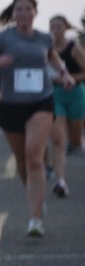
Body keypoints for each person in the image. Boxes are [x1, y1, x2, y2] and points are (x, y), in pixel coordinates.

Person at [0, 0, 76, 236]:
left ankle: (35, 219)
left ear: (35, 12)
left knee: (34, 158)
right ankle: (35, 197)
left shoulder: (44, 38)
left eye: (28, 9)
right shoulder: (2, 38)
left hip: (41, 101)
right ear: (13, 13)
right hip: (11, 104)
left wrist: (65, 74)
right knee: (22, 161)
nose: (23, 13)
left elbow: (53, 58)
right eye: (19, 9)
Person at [48, 15, 85, 197]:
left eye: (59, 26)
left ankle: (79, 145)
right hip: (55, 95)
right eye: (52, 26)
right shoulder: (46, 49)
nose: (55, 30)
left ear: (65, 28)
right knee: (58, 139)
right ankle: (60, 182)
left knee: (75, 141)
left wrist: (68, 78)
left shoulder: (73, 47)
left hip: (75, 94)